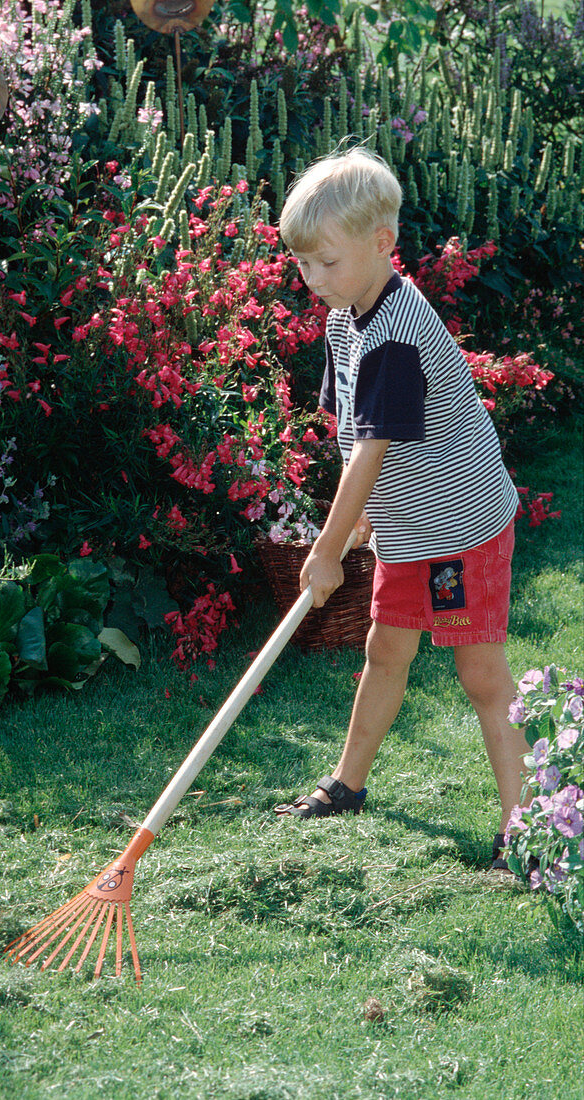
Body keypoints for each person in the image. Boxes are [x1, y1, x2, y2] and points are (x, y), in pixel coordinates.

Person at [272, 147, 529, 871]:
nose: (313, 280)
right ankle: (346, 786)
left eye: (326, 262)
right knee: (384, 648)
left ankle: (522, 829)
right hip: (408, 525)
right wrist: (359, 519)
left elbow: (369, 453)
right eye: (302, 266)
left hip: (460, 528)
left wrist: (325, 551)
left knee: (480, 674)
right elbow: (348, 430)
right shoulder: (345, 321)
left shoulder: (395, 336)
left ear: (382, 245)